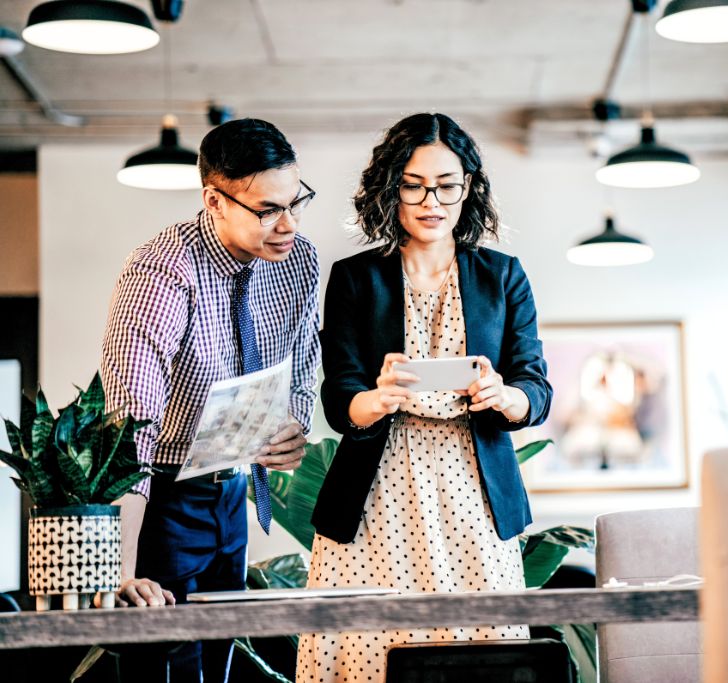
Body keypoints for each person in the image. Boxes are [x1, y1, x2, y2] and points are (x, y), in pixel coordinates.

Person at [298, 112, 551, 682]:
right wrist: (379, 396)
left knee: (479, 652)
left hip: (473, 492)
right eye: (413, 184)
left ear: (469, 189)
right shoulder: (355, 278)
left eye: (447, 185)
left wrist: (502, 394)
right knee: (368, 648)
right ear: (390, 188)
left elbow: (535, 389)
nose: (430, 200)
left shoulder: (503, 277)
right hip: (378, 489)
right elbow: (340, 399)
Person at [100, 118, 321, 682]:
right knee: (164, 671)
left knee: (219, 666)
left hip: (234, 495)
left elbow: (300, 364)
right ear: (215, 201)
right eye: (267, 209)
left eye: (295, 202)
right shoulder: (162, 271)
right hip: (165, 504)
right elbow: (131, 422)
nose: (287, 224)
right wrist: (119, 570)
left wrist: (293, 426)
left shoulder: (299, 260)